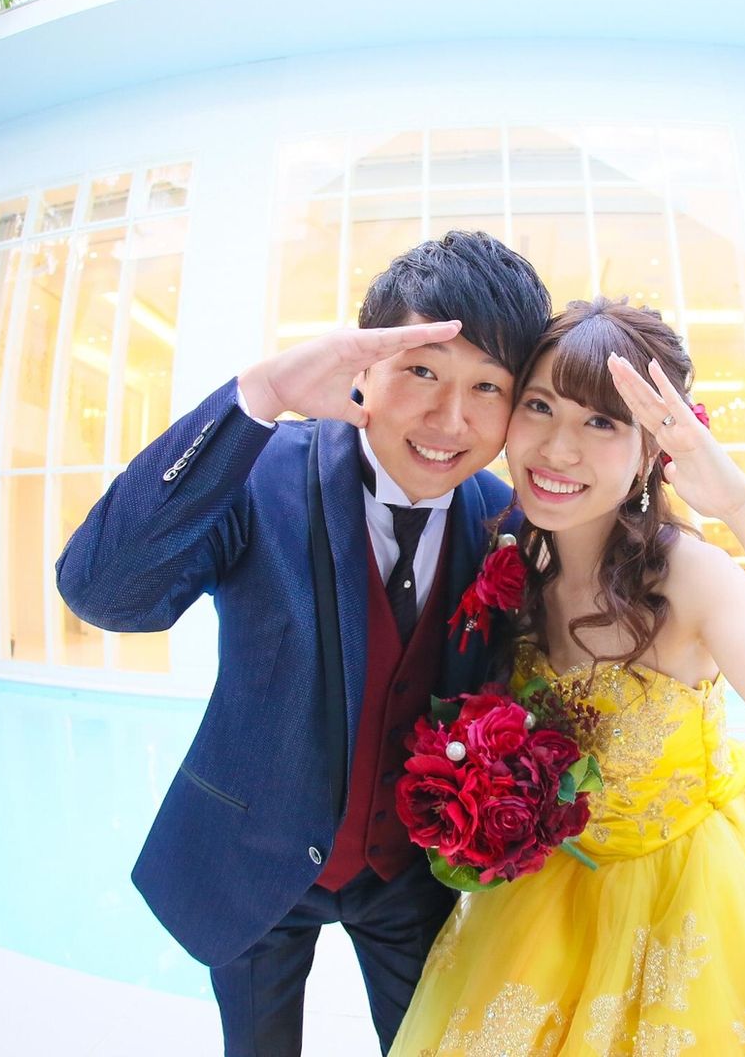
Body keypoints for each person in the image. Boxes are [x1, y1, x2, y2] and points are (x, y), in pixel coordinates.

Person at [391, 297, 745, 1055]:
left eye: (602, 422)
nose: (558, 449)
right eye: (540, 406)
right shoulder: (511, 555)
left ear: (650, 449)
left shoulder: (687, 577)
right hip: (547, 907)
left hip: (695, 902)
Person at [55, 231, 551, 1055]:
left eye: (487, 387)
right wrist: (262, 394)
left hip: (409, 877)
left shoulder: (509, 521)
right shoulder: (259, 471)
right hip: (253, 861)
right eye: (421, 371)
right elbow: (103, 593)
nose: (449, 419)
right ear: (364, 368)